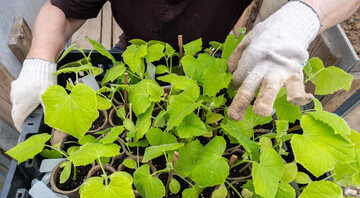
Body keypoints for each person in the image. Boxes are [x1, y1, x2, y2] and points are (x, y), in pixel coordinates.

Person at [10, 0, 360, 131]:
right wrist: (39, 59)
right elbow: (65, 7)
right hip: (137, 56)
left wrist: (303, 16)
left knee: (208, 119)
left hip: (213, 62)